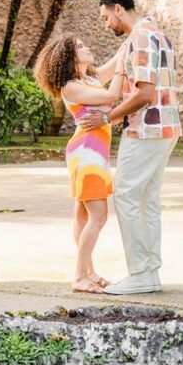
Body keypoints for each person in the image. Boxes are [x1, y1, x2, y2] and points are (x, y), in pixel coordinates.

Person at [79, 0, 181, 295]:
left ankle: (140, 273)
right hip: (166, 128)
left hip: (147, 129)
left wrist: (107, 118)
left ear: (119, 10)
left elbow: (145, 94)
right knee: (146, 200)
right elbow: (113, 77)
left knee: (125, 195)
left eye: (105, 16)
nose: (105, 23)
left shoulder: (140, 38)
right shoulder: (155, 33)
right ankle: (149, 273)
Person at [34, 35, 123, 294]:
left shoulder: (90, 78)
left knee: (83, 216)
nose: (88, 47)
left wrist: (134, 37)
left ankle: (88, 272)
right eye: (81, 47)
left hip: (91, 152)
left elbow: (118, 58)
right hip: (87, 155)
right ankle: (79, 277)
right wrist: (123, 69)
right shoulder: (71, 86)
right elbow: (113, 93)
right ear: (71, 58)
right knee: (99, 216)